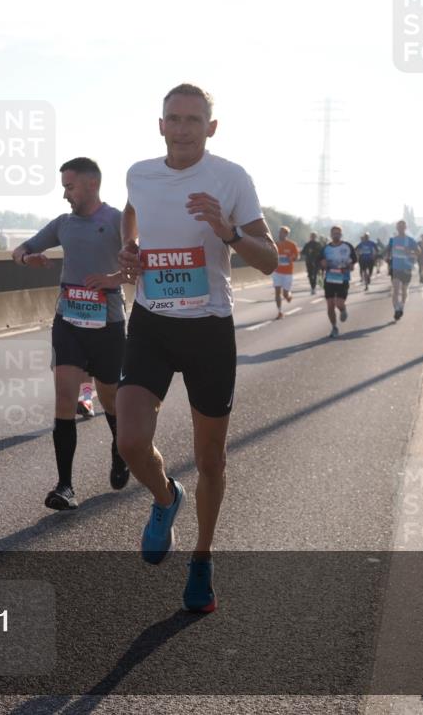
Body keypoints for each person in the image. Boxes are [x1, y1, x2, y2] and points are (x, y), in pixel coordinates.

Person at [118, 84, 277, 613]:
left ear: (211, 127)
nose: (182, 127)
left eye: (193, 119)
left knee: (211, 457)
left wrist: (228, 232)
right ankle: (166, 498)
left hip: (208, 327)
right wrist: (129, 245)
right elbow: (131, 210)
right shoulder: (140, 172)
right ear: (159, 124)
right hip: (151, 322)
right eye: (173, 118)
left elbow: (270, 260)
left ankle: (202, 559)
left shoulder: (230, 178)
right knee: (130, 442)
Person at [14, 157, 131, 510]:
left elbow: (140, 265)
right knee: (65, 397)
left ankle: (120, 449)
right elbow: (20, 250)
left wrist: (113, 279)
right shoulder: (62, 224)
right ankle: (65, 486)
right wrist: (26, 259)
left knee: (109, 398)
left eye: (70, 186)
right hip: (68, 321)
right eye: (64, 186)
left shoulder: (117, 221)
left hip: (108, 323)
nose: (66, 194)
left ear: (92, 184)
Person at [319, 225, 357, 338]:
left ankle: (343, 309)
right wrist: (323, 263)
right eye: (334, 233)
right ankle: (334, 327)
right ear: (331, 235)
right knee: (330, 305)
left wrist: (351, 265)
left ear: (341, 234)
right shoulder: (326, 248)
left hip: (343, 278)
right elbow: (320, 260)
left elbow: (354, 260)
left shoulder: (347, 246)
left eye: (338, 233)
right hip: (330, 278)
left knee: (339, 303)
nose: (336, 235)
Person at [387, 220, 419, 320]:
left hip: (406, 268)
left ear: (405, 228)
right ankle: (397, 309)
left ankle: (401, 306)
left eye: (402, 227)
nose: (401, 228)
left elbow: (418, 251)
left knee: (404, 290)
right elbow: (388, 251)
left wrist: (410, 252)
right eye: (399, 227)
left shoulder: (410, 240)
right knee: (395, 289)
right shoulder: (393, 240)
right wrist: (387, 258)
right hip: (395, 268)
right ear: (397, 228)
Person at [272, 226, 299, 319]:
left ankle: (288, 296)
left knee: (285, 294)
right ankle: (279, 312)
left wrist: (292, 257)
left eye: (283, 232)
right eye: (280, 232)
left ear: (286, 234)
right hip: (277, 272)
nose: (280, 234)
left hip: (288, 273)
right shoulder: (274, 244)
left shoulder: (292, 245)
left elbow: (297, 257)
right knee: (277, 292)